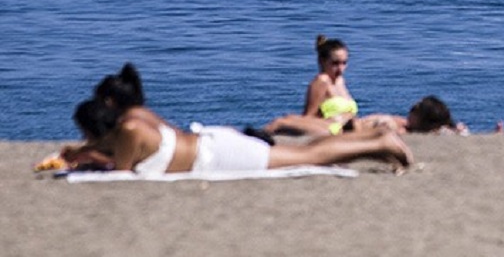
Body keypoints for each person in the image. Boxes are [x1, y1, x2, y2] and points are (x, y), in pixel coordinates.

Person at [59, 64, 412, 174]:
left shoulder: (130, 125)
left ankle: (380, 141)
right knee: (311, 150)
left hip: (220, 154)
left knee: (310, 155)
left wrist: (86, 157)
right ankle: (374, 146)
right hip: (216, 144)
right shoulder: (140, 117)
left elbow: (121, 173)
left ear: (108, 101)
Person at [264, 35, 358, 137]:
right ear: (322, 61)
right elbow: (308, 117)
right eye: (335, 63)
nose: (341, 69)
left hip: (348, 129)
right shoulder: (321, 81)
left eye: (344, 63)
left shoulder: (340, 81)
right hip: (330, 129)